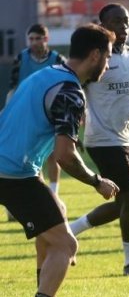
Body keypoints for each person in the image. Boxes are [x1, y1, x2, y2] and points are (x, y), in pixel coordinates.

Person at [0, 24, 119, 297]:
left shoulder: (47, 74)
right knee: (66, 244)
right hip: (11, 174)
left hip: (14, 169)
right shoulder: (69, 92)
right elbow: (65, 155)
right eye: (108, 57)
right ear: (95, 55)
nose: (108, 65)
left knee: (57, 214)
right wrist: (97, 181)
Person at [69, 3, 129, 276]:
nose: (124, 26)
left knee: (125, 202)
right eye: (117, 21)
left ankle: (70, 230)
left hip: (126, 139)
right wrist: (74, 129)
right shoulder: (96, 59)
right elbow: (74, 91)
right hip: (101, 139)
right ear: (102, 26)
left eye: (127, 21)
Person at [5, 24, 67, 221]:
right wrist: (8, 112)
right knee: (26, 157)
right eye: (31, 39)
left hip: (50, 115)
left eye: (37, 38)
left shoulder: (57, 60)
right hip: (26, 115)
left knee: (52, 155)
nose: (34, 42)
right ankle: (18, 204)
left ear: (46, 39)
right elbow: (13, 87)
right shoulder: (21, 58)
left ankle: (53, 195)